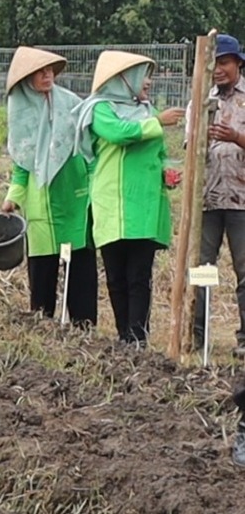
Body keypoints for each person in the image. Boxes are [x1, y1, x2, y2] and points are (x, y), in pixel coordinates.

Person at [74, 50, 185, 348]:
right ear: (122, 79)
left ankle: (138, 339)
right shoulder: (100, 109)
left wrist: (167, 172)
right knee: (115, 276)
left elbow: (159, 154)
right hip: (112, 204)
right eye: (140, 75)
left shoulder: (146, 112)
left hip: (143, 205)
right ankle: (124, 336)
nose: (147, 82)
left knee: (139, 276)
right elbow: (120, 134)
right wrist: (158, 122)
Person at [1, 47, 97, 327]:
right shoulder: (20, 113)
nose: (47, 75)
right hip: (40, 201)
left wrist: (92, 188)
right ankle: (42, 325)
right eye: (40, 72)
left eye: (50, 70)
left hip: (75, 195)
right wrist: (13, 198)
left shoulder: (71, 104)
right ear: (26, 79)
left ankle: (84, 327)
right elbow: (22, 162)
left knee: (80, 264)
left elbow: (90, 150)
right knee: (42, 268)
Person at [190, 34, 245, 356]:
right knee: (201, 269)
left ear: (237, 63)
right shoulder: (200, 100)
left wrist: (237, 136)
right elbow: (189, 146)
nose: (218, 70)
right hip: (207, 202)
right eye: (213, 64)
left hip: (241, 200)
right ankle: (197, 336)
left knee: (244, 271)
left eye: (224, 63)